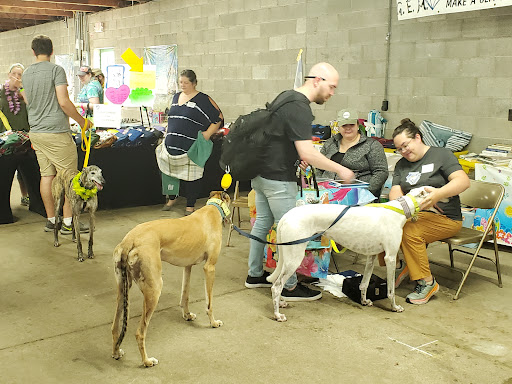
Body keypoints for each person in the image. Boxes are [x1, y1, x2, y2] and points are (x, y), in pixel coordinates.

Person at [245, 62, 355, 301]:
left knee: (262, 223)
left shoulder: (285, 97)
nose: (332, 93)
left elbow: (281, 139)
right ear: (317, 80)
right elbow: (308, 153)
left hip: (261, 174)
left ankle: (254, 275)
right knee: (293, 233)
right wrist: (341, 169)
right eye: (332, 87)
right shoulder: (300, 107)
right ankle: (289, 286)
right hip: (278, 179)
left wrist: (296, 156)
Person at [390, 118, 470, 304]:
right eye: (400, 149)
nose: (404, 151)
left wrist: (437, 195)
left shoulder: (442, 155)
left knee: (409, 230)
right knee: (384, 223)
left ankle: (427, 282)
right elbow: (395, 191)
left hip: (445, 218)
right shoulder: (402, 164)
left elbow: (463, 181)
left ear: (417, 137)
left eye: (406, 145)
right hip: (415, 214)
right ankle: (402, 264)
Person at [22, 35, 93, 234]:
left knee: (47, 175)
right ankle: (69, 223)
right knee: (70, 177)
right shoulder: (56, 70)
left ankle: (52, 220)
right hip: (56, 132)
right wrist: (83, 122)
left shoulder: (26, 74)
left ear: (33, 51)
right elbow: (63, 102)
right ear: (51, 51)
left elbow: (27, 99)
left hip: (36, 131)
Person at [160, 69, 223, 215]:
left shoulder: (203, 99)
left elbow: (218, 117)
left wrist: (207, 134)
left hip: (191, 146)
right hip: (171, 144)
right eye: (181, 82)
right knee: (169, 173)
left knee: (192, 176)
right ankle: (171, 198)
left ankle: (190, 205)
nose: (183, 85)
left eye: (186, 83)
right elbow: (172, 118)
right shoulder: (176, 97)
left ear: (194, 83)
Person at [317, 108, 388, 198]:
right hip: (326, 193)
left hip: (357, 195)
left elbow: (381, 172)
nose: (348, 128)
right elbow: (319, 167)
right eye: (344, 125)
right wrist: (320, 186)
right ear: (338, 126)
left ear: (358, 125)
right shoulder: (330, 143)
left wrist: (364, 193)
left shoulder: (372, 145)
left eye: (352, 124)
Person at [1, 63, 30, 205]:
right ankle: (23, 195)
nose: (17, 77)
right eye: (14, 74)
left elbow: (31, 107)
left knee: (25, 169)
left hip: (25, 135)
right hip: (8, 138)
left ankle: (27, 196)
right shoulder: (1, 93)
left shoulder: (23, 94)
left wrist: (23, 90)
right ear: (9, 74)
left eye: (20, 75)